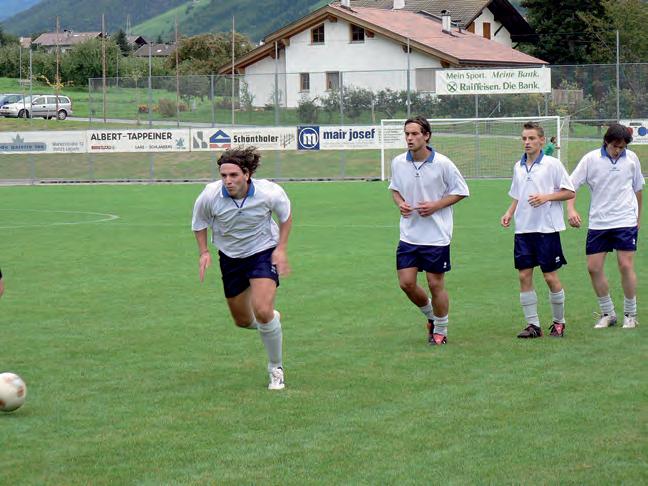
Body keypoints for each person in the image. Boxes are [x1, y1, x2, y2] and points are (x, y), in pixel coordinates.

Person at [192, 147, 293, 390]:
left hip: (262, 252)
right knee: (243, 320)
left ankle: (276, 368)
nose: (228, 180)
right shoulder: (209, 195)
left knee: (262, 309)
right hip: (230, 257)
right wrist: (204, 252)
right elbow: (199, 223)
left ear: (246, 174)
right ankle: (270, 321)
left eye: (233, 175)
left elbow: (286, 216)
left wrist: (281, 248)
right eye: (223, 175)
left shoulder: (269, 192)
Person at [389, 116, 470, 345]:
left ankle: (441, 331)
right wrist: (400, 203)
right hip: (409, 235)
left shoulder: (443, 163)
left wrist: (436, 205)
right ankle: (432, 317)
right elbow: (394, 189)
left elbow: (461, 191)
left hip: (436, 236)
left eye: (414, 134)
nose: (409, 138)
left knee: (435, 284)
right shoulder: (398, 162)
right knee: (406, 283)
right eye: (407, 134)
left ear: (426, 136)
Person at [501, 122, 575, 338]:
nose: (527, 142)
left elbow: (569, 192)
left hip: (546, 230)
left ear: (542, 140)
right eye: (524, 138)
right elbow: (518, 194)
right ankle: (533, 325)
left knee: (550, 276)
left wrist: (546, 197)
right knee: (524, 275)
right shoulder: (518, 166)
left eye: (532, 138)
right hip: (523, 230)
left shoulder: (553, 164)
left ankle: (559, 323)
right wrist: (509, 212)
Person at [567, 123, 644, 329]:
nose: (618, 150)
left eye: (622, 147)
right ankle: (608, 313)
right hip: (599, 222)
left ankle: (630, 314)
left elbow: (638, 189)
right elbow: (571, 186)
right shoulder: (590, 159)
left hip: (625, 220)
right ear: (606, 142)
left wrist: (638, 217)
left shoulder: (632, 159)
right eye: (614, 146)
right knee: (593, 268)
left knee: (625, 265)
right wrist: (571, 209)